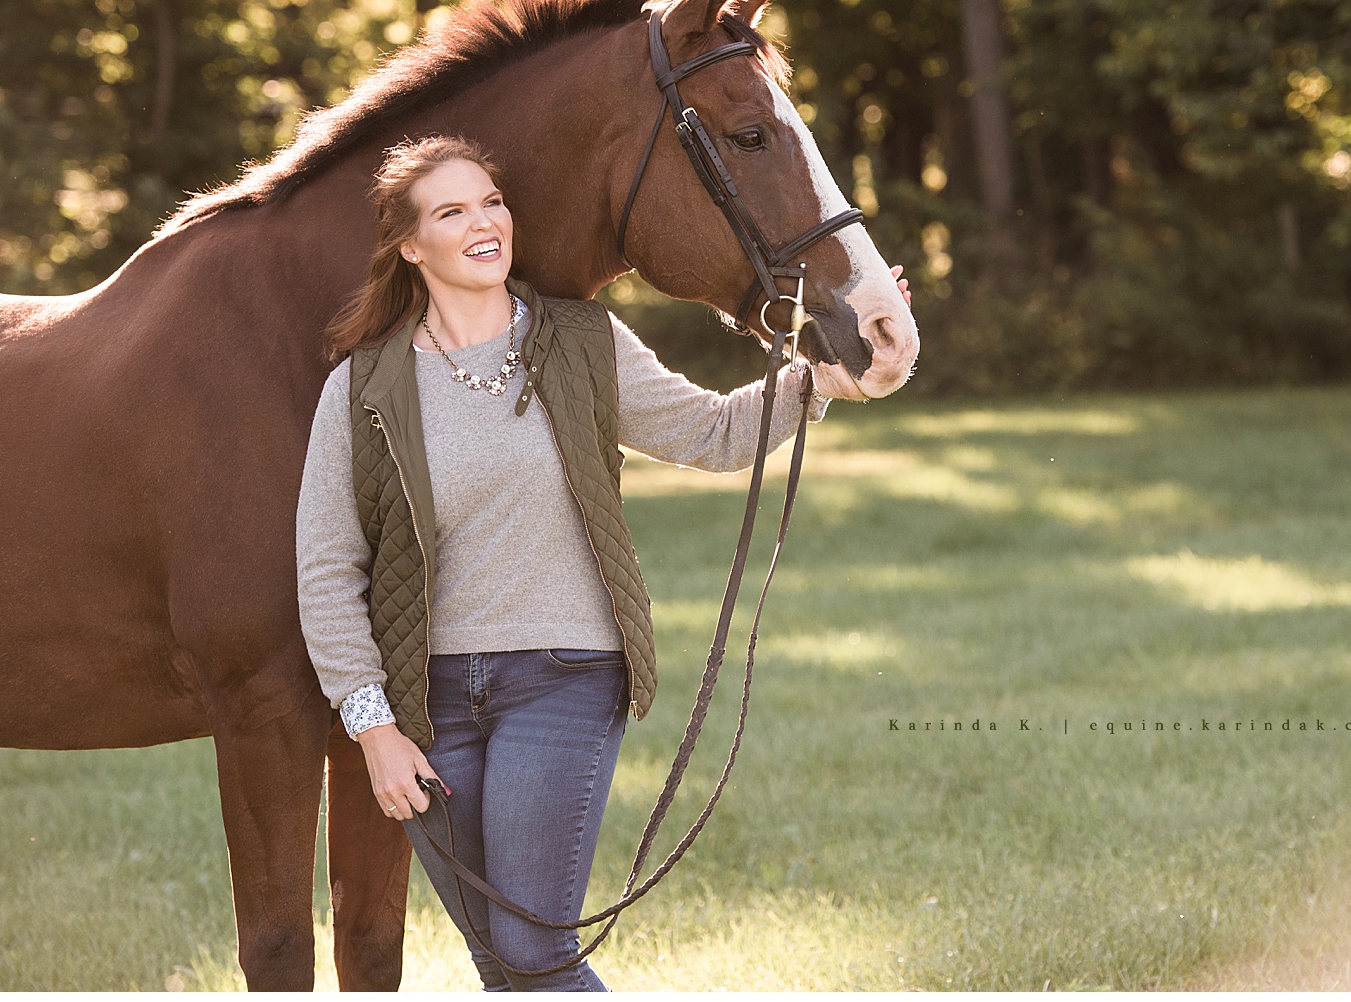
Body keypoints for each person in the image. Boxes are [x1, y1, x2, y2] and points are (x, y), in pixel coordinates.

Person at [296, 134, 906, 991]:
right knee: (501, 962)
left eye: (492, 202)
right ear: (409, 245)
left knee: (537, 952)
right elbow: (326, 570)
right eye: (452, 211)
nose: (483, 223)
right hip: (426, 707)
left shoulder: (582, 341)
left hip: (563, 677)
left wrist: (817, 381)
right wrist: (375, 730)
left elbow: (711, 431)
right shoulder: (362, 386)